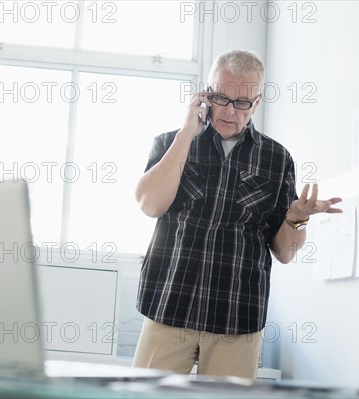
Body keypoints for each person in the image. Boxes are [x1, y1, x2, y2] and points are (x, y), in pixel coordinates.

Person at [132, 49, 342, 380]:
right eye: (221, 98)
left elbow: (285, 252)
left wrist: (296, 218)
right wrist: (187, 133)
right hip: (168, 306)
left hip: (237, 318)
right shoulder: (170, 142)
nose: (230, 111)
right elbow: (149, 204)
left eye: (242, 103)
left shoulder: (277, 159)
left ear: (256, 103)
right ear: (206, 94)